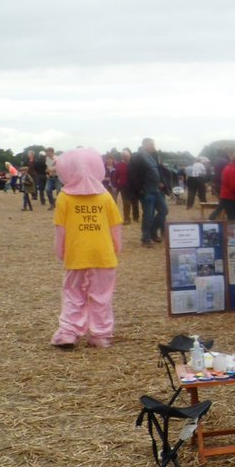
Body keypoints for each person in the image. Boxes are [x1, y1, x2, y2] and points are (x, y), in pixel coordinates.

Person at [50, 148, 123, 349]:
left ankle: (68, 332)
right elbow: (115, 226)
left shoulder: (64, 197)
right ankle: (100, 334)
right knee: (101, 295)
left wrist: (60, 251)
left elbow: (60, 229)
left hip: (75, 255)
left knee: (73, 293)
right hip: (103, 255)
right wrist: (117, 247)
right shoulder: (105, 196)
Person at [130, 139, 167, 246]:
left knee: (164, 211)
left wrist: (160, 182)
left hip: (156, 189)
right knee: (148, 214)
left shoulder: (152, 156)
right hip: (146, 191)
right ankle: (145, 238)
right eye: (151, 144)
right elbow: (133, 174)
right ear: (144, 145)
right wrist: (140, 189)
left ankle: (153, 231)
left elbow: (157, 170)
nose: (153, 146)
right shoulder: (138, 156)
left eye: (154, 144)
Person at [215, 150, 235, 221]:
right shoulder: (233, 170)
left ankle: (209, 222)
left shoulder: (228, 167)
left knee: (216, 214)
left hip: (225, 196)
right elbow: (234, 187)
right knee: (234, 220)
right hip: (230, 198)